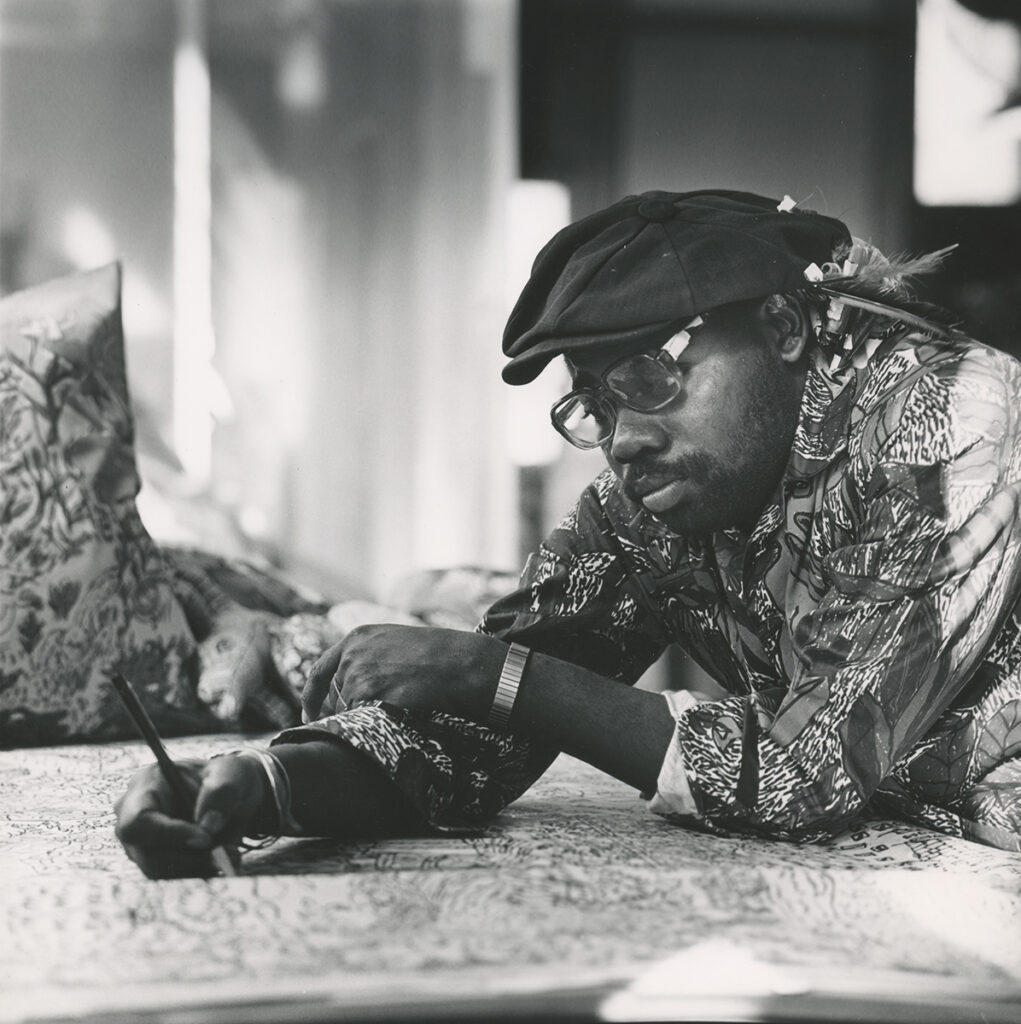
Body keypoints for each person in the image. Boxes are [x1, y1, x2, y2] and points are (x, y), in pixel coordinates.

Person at [116, 189, 1021, 878]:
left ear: (781, 327)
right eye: (592, 402)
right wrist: (260, 787)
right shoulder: (653, 496)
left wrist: (492, 672)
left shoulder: (943, 420)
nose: (622, 438)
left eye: (648, 375)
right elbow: (474, 737)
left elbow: (803, 773)